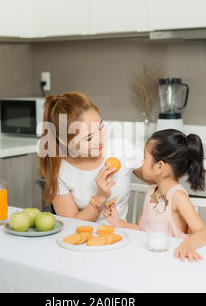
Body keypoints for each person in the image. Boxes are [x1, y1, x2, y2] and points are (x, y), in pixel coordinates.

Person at [38, 91, 152, 224]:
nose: (100, 140)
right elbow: (71, 225)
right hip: (82, 240)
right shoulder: (59, 171)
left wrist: (142, 224)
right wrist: (100, 197)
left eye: (100, 126)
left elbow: (162, 179)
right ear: (66, 142)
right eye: (89, 137)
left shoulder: (122, 150)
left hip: (121, 239)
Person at [103, 129, 206, 262]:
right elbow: (141, 229)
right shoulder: (151, 192)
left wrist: (187, 245)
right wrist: (120, 223)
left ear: (159, 166)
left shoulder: (177, 197)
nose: (141, 162)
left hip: (172, 261)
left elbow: (203, 232)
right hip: (150, 260)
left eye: (144, 157)